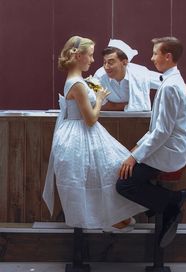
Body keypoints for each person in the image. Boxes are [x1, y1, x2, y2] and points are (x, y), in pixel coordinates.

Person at [42, 36, 146, 232]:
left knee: (108, 170)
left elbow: (97, 99)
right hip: (80, 133)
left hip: (83, 132)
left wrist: (97, 91)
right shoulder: (77, 84)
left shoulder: (81, 81)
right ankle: (105, 218)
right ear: (78, 56)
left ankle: (113, 215)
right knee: (99, 174)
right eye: (89, 56)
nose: (92, 60)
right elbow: (90, 119)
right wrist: (97, 99)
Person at [116, 37, 186, 247]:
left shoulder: (169, 87)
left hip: (169, 150)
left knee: (124, 184)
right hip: (166, 146)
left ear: (168, 56)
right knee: (127, 173)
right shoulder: (171, 80)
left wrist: (134, 156)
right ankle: (165, 205)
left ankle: (173, 201)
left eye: (155, 53)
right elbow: (156, 129)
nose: (151, 57)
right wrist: (137, 148)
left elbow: (162, 132)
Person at [94, 39, 186, 112]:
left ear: (124, 62)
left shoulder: (140, 74)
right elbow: (98, 104)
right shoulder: (98, 76)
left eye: (111, 62)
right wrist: (130, 105)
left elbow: (175, 84)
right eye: (104, 62)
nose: (106, 67)